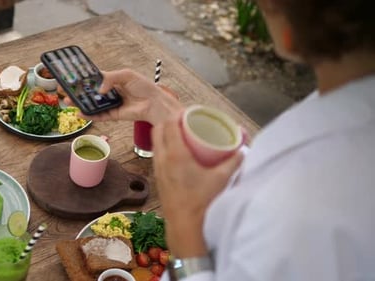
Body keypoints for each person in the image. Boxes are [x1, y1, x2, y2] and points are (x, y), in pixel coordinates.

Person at [66, 0, 375, 279]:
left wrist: (185, 233)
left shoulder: (307, 211)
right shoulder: (347, 107)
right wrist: (166, 112)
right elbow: (260, 175)